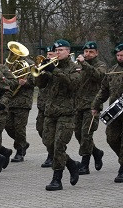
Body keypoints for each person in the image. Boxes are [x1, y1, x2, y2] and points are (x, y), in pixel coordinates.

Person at [36, 39, 82, 191]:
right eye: (56, 51)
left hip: (67, 113)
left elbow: (72, 84)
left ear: (68, 51)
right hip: (50, 112)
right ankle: (71, 163)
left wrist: (53, 71)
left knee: (58, 146)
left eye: (61, 50)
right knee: (48, 143)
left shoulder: (75, 67)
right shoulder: (52, 65)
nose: (58, 53)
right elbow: (40, 85)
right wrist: (41, 72)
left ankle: (57, 179)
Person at [92, 42, 123, 182]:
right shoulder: (112, 70)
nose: (120, 57)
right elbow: (104, 90)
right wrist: (96, 105)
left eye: (122, 55)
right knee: (111, 138)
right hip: (115, 112)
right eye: (118, 55)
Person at [74, 41, 106, 174]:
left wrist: (84, 64)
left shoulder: (101, 65)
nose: (88, 54)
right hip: (78, 105)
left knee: (87, 134)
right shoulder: (79, 65)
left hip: (92, 105)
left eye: (91, 52)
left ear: (96, 53)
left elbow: (98, 76)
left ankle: (84, 163)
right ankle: (97, 153)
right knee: (78, 134)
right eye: (86, 52)